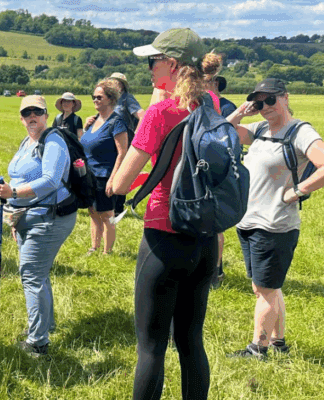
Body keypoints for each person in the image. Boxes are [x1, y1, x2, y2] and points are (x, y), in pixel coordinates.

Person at [112, 27, 221, 400]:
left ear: (172, 65)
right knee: (192, 342)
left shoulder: (160, 112)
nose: (149, 67)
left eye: (153, 60)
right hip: (205, 239)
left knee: (151, 348)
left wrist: (114, 184)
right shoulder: (213, 107)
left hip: (164, 236)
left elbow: (123, 183)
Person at [226, 78, 324, 359]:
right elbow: (222, 132)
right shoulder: (261, 128)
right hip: (249, 220)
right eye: (259, 101)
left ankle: (258, 348)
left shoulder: (300, 132)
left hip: (275, 225)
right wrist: (242, 111)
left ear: (286, 98)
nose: (265, 106)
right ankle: (278, 342)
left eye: (270, 100)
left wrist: (299, 191)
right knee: (266, 287)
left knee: (264, 290)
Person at [0, 95, 77, 357]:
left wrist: (14, 193)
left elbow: (50, 180)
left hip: (49, 216)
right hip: (28, 216)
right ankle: (45, 325)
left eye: (37, 112)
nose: (32, 116)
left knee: (31, 275)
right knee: (38, 274)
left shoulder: (53, 140)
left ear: (45, 115)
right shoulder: (27, 140)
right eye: (27, 112)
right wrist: (13, 209)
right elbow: (18, 174)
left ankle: (38, 343)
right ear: (21, 117)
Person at [80, 79, 128, 255]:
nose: (95, 100)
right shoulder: (94, 121)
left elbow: (123, 153)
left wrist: (114, 178)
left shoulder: (117, 122)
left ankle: (107, 252)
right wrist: (85, 128)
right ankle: (94, 247)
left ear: (110, 98)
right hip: (90, 175)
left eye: (99, 97)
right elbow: (84, 143)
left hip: (105, 175)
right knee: (93, 212)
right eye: (93, 97)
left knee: (107, 215)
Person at [207, 75, 238, 289]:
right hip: (200, 166)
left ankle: (216, 271)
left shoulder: (227, 107)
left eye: (206, 79)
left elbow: (227, 136)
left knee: (215, 224)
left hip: (219, 167)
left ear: (216, 83)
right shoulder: (200, 103)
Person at [108, 72, 147, 218]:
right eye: (111, 82)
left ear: (122, 85)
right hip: (111, 139)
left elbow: (142, 115)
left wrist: (137, 135)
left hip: (125, 139)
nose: (114, 85)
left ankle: (118, 208)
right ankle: (110, 205)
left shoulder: (127, 99)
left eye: (116, 82)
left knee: (121, 172)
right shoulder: (111, 100)